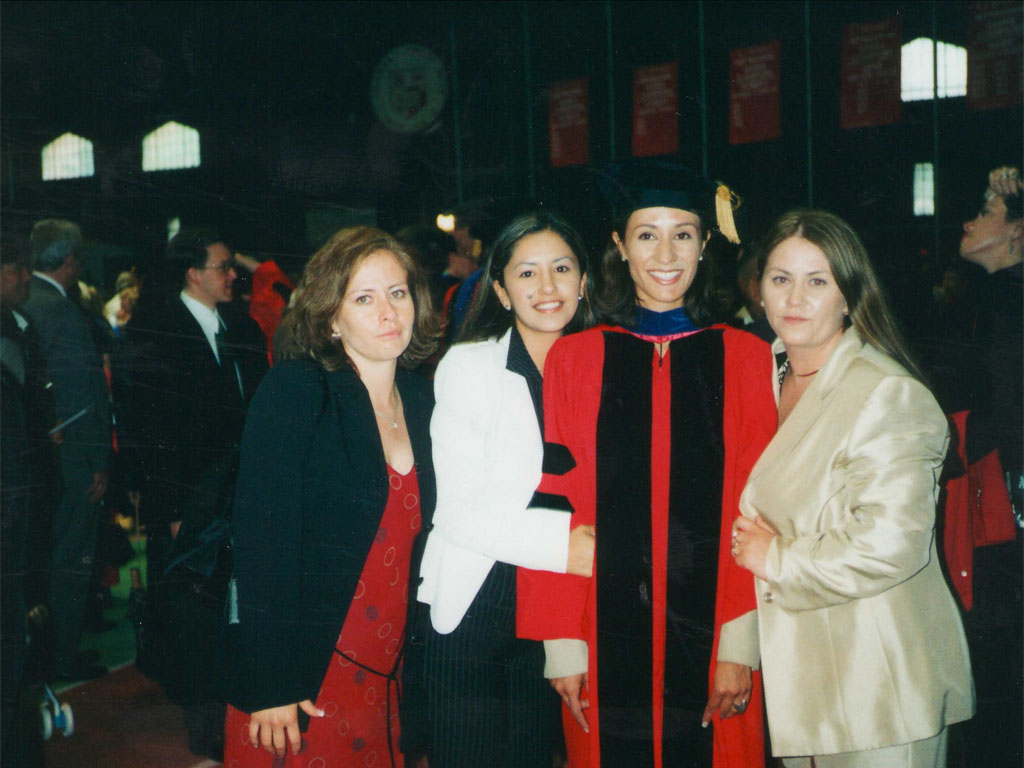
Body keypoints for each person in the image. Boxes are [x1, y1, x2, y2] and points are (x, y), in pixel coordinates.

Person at [517, 162, 776, 768]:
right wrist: (564, 648)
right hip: (599, 633)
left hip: (716, 635)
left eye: (683, 233)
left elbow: (759, 506)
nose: (666, 253)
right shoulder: (575, 359)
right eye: (646, 234)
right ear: (619, 246)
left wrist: (740, 644)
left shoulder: (744, 358)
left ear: (706, 243)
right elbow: (554, 502)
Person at [730, 209, 974, 767]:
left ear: (848, 295)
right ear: (758, 290)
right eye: (780, 278)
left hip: (878, 689)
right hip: (804, 688)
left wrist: (778, 559)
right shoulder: (759, 371)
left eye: (818, 281)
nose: (795, 297)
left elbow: (891, 544)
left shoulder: (887, 392)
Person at [223, 227, 440, 768]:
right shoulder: (299, 389)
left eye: (398, 292)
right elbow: (260, 544)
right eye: (363, 298)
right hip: (306, 673)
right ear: (330, 318)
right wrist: (271, 683)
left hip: (387, 670)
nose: (389, 311)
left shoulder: (422, 396)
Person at [414, 211, 596, 767]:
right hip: (478, 601)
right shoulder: (470, 368)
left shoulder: (603, 364)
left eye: (562, 269)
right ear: (500, 288)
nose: (547, 288)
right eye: (527, 273)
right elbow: (457, 513)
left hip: (561, 607)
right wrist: (565, 546)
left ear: (584, 281)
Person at [126, 229, 268, 758]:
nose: (235, 275)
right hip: (189, 504)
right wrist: (168, 513)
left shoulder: (244, 328)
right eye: (224, 266)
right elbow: (145, 431)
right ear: (194, 273)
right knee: (195, 623)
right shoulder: (154, 331)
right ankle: (207, 738)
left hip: (242, 495)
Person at [20, 218, 111, 683]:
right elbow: (81, 396)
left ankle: (41, 653)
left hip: (39, 457)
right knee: (71, 558)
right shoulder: (62, 312)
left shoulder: (25, 303)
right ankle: (61, 657)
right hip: (74, 458)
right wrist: (97, 459)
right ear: (70, 261)